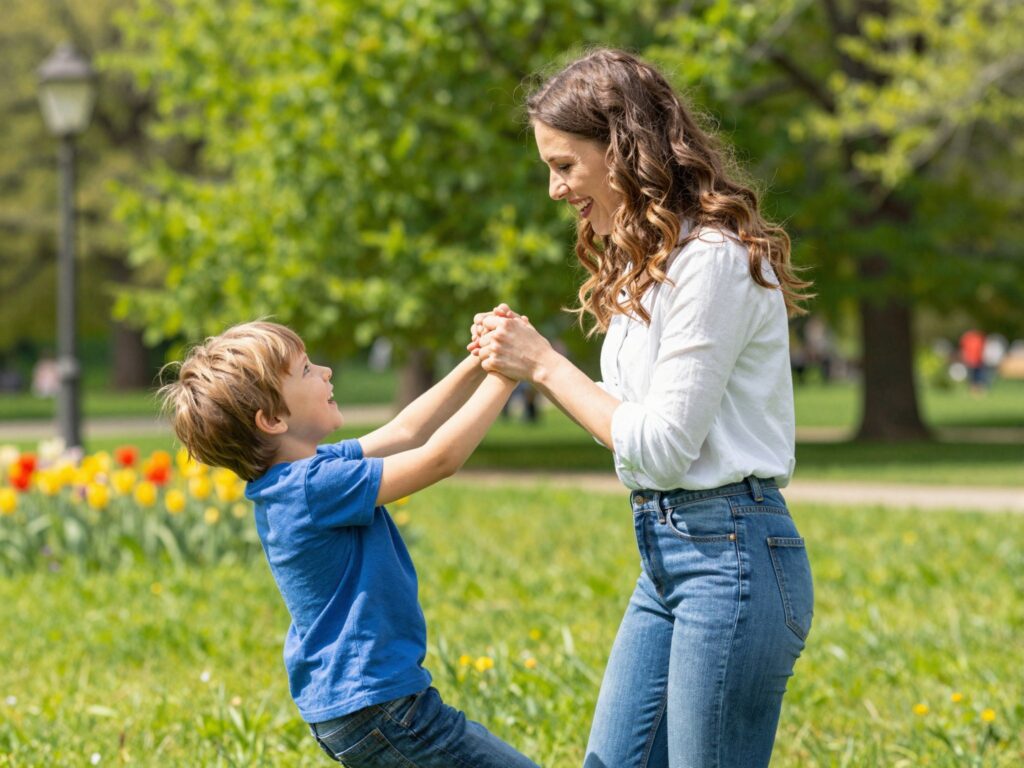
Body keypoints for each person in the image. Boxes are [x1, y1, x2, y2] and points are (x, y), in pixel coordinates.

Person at [469, 48, 814, 768]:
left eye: (565, 165)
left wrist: (544, 365)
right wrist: (519, 367)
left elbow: (658, 447)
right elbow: (631, 431)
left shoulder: (713, 261)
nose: (556, 190)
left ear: (623, 150)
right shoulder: (646, 266)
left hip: (733, 560)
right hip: (663, 553)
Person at [159, 321, 539, 768]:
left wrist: (478, 359)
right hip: (382, 707)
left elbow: (407, 430)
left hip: (358, 708)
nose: (326, 371)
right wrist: (508, 376)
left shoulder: (301, 474)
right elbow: (439, 458)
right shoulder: (314, 486)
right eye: (305, 370)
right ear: (273, 420)